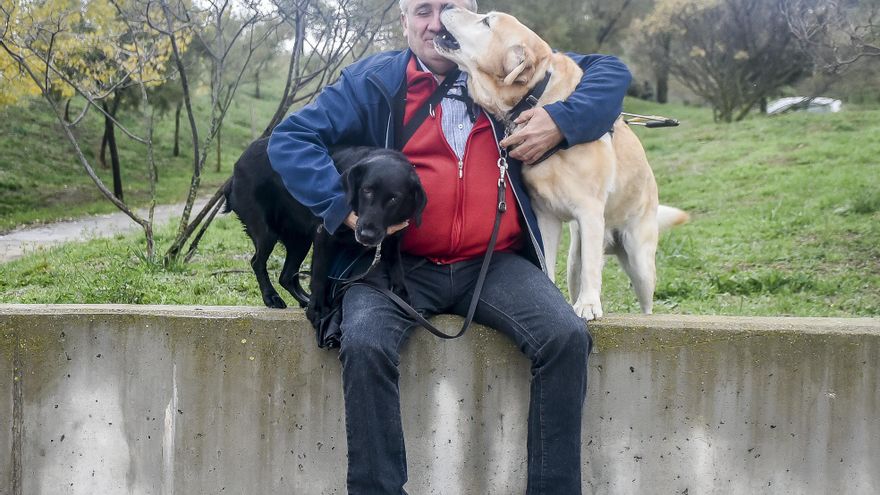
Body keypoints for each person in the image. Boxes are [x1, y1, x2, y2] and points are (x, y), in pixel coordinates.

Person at [267, 0, 631, 492]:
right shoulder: (374, 81)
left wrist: (563, 120)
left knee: (565, 337)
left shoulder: (507, 68)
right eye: (422, 11)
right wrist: (343, 207)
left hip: (495, 265)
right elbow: (289, 139)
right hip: (401, 265)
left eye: (450, 8)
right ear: (403, 23)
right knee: (365, 341)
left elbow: (609, 71)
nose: (436, 23)